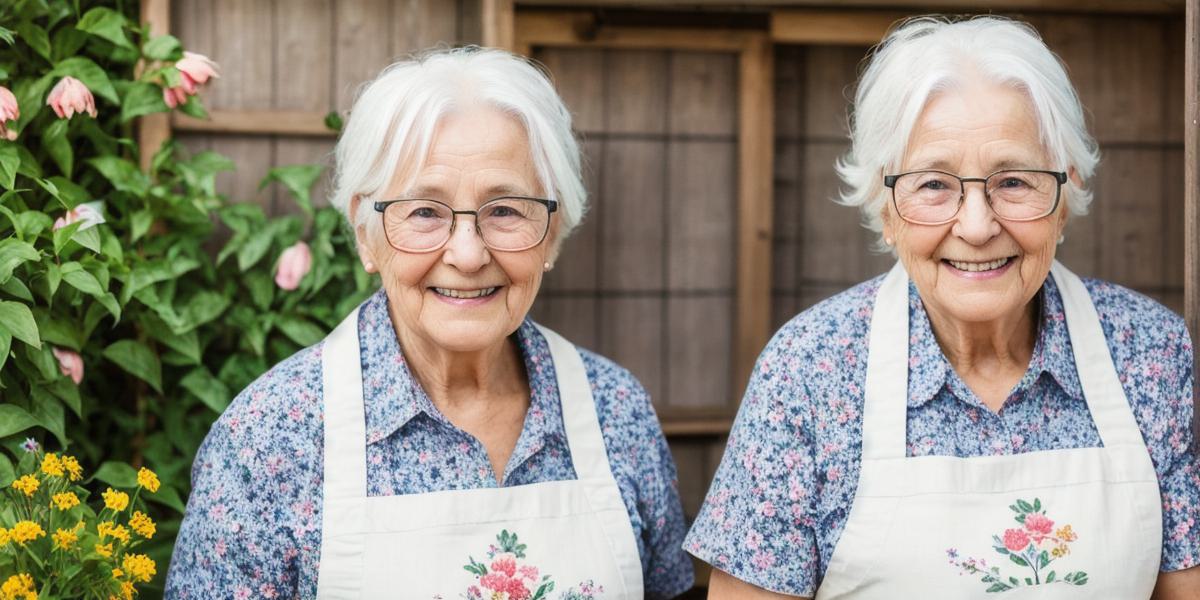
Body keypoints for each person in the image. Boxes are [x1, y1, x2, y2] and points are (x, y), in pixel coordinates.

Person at [684, 16, 1200, 600]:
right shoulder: (808, 371)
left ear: (1065, 192)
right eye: (933, 184)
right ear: (885, 205)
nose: (977, 227)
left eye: (1014, 181)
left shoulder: (1149, 351)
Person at [166, 47, 693, 599]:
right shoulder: (269, 439)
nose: (467, 256)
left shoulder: (615, 411)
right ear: (366, 234)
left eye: (506, 210)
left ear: (553, 234)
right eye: (424, 212)